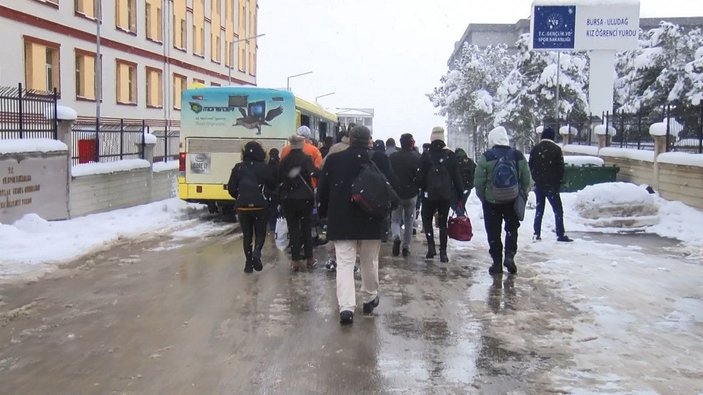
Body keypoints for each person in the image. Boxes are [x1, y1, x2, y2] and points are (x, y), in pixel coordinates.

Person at [318, 125, 390, 325]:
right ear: (369, 141)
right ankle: (369, 297)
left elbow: (322, 191)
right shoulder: (379, 160)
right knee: (369, 261)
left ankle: (347, 308)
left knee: (345, 264)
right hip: (372, 219)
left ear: (349, 139)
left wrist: (324, 214)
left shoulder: (334, 160)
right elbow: (390, 187)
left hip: (342, 220)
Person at [474, 126, 531, 276]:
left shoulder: (487, 156)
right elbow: (527, 179)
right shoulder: (517, 155)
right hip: (512, 200)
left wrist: (484, 197)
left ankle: (497, 262)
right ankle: (510, 255)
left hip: (492, 201)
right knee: (511, 229)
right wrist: (522, 195)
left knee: (493, 231)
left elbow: (478, 182)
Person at [227, 141, 276, 273]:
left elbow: (231, 188)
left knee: (247, 235)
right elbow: (272, 185)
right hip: (260, 205)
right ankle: (257, 252)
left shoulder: (238, 167)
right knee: (260, 233)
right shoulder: (264, 167)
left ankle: (248, 264)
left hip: (242, 206)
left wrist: (239, 196)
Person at [416, 127, 464, 263]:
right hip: (445, 195)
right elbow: (456, 176)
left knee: (427, 220)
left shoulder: (426, 155)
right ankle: (443, 252)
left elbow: (420, 176)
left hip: (428, 195)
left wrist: (420, 188)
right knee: (443, 224)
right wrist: (460, 193)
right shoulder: (450, 155)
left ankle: (431, 247)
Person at [279, 134, 318, 271]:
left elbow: (279, 177)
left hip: (288, 198)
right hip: (305, 198)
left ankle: (295, 260)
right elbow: (314, 173)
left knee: (293, 228)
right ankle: (309, 258)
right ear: (301, 144)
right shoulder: (306, 159)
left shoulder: (285, 160)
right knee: (306, 228)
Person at [529, 127, 573, 242]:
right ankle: (560, 233)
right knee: (558, 210)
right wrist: (558, 182)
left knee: (539, 209)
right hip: (552, 185)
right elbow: (560, 169)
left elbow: (531, 166)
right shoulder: (556, 150)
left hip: (539, 184)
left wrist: (537, 178)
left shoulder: (535, 149)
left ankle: (536, 233)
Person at [389, 133, 421, 257]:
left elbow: (389, 174)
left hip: (397, 193)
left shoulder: (393, 157)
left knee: (395, 219)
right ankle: (406, 247)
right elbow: (419, 176)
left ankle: (396, 236)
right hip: (411, 194)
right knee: (409, 221)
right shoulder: (416, 157)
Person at [452, 148, 476, 215]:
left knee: (456, 205)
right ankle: (461, 219)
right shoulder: (470, 162)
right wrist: (471, 185)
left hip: (456, 187)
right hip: (467, 187)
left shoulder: (454, 161)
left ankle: (460, 220)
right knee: (462, 204)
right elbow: (476, 174)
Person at [267, 148, 281, 231]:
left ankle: (272, 224)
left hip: (269, 191)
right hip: (277, 190)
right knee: (277, 208)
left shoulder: (268, 165)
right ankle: (278, 224)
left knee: (271, 208)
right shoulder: (279, 164)